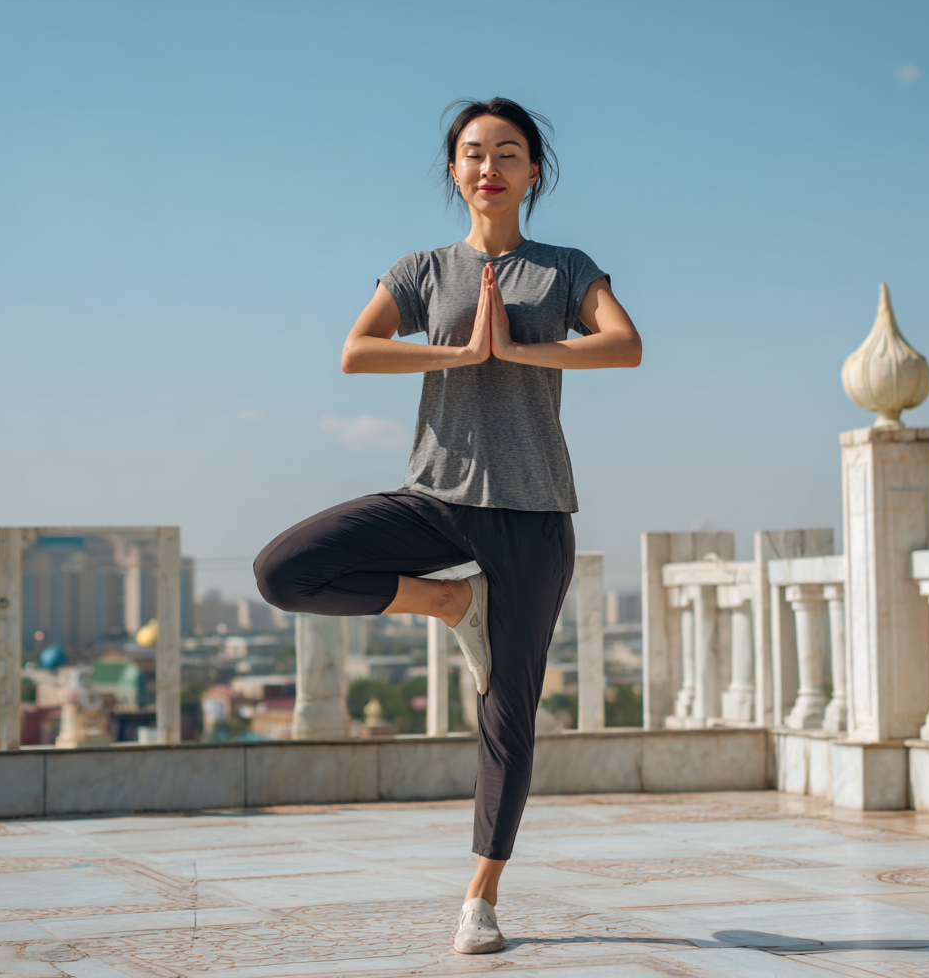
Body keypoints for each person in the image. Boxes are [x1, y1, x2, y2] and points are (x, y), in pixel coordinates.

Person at [254, 97, 641, 954]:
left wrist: (522, 350)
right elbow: (357, 350)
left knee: (509, 712)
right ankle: (444, 607)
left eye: (508, 152)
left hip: (534, 514)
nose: (488, 166)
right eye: (472, 152)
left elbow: (624, 345)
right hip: (434, 500)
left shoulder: (565, 268)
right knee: (284, 570)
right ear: (455, 171)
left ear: (533, 172)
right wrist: (460, 352)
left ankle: (481, 896)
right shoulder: (423, 270)